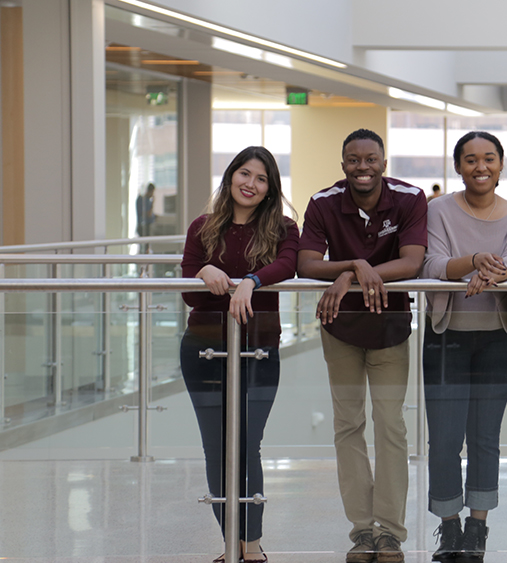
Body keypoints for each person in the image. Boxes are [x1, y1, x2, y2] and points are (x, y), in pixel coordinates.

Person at [297, 129, 428, 563]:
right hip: (340, 328)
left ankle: (389, 532)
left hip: (391, 328)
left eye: (371, 159)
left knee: (391, 427)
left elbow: (412, 261)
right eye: (353, 160)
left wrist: (353, 274)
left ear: (384, 163)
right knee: (347, 426)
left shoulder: (410, 198)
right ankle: (361, 531)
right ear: (343, 165)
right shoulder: (322, 202)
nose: (362, 167)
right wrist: (355, 265)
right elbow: (306, 263)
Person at [180, 146, 300, 563]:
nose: (251, 183)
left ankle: (252, 546)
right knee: (216, 447)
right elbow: (189, 293)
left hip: (260, 349)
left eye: (261, 178)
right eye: (244, 174)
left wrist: (249, 280)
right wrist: (203, 271)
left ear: (270, 189)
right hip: (203, 348)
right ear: (231, 177)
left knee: (247, 445)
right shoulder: (202, 227)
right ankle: (232, 543)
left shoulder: (283, 227)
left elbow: (288, 265)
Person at [421, 132, 507, 563]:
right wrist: (476, 261)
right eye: (470, 159)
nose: (480, 166)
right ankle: (450, 528)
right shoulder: (438, 210)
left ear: (502, 165)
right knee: (445, 439)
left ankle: (478, 528)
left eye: (489, 158)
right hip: (446, 334)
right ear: (458, 166)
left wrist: (496, 269)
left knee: (485, 437)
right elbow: (432, 264)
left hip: (500, 337)